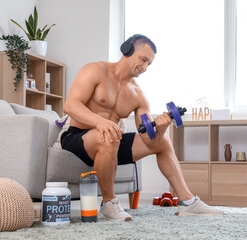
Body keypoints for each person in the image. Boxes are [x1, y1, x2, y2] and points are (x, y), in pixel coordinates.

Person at [61, 34, 223, 221]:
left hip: (110, 140)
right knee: (109, 135)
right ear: (128, 50)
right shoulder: (95, 70)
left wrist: (161, 128)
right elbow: (70, 105)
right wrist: (99, 122)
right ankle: (109, 204)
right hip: (78, 138)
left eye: (149, 64)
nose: (145, 67)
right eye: (143, 59)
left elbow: (147, 138)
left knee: (163, 141)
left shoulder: (138, 95)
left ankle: (188, 202)